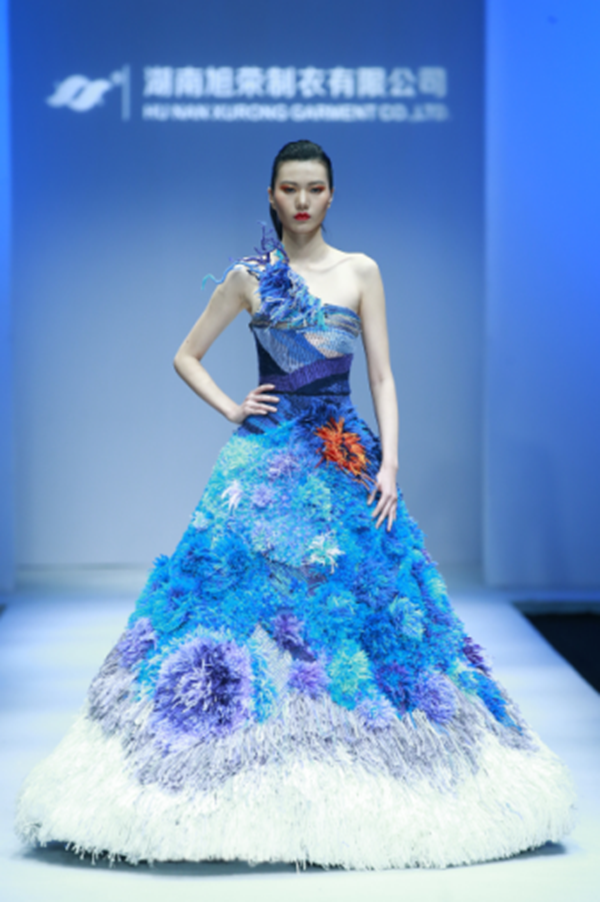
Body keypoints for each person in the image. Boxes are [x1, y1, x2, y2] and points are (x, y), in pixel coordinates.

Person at [16, 140, 575, 869]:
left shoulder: (361, 271)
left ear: (331, 195)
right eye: (290, 188)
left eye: (315, 188)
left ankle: (358, 762)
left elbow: (383, 376)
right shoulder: (250, 278)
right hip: (264, 461)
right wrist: (232, 407)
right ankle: (237, 770)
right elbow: (185, 354)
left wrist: (391, 463)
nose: (303, 201)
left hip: (345, 458)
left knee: (365, 610)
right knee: (238, 604)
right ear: (272, 195)